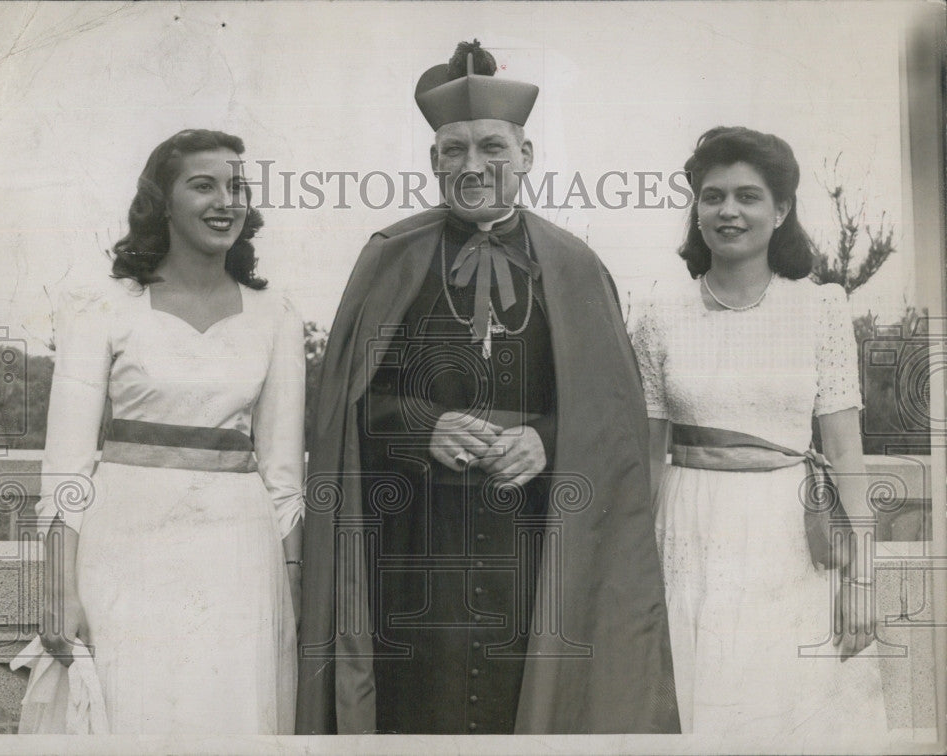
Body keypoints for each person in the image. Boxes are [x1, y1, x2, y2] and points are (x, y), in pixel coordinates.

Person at [296, 41, 679, 735]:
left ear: (526, 157)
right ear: (434, 160)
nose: (473, 166)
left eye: (492, 148)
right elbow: (343, 410)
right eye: (454, 150)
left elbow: (615, 420)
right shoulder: (390, 256)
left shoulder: (577, 266)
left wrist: (546, 438)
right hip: (413, 543)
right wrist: (423, 427)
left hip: (534, 542)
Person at [29, 129, 304, 734]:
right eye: (202, 185)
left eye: (237, 187)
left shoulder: (275, 313)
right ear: (163, 203)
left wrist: (295, 594)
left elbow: (284, 477)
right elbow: (66, 467)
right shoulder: (101, 306)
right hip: (126, 551)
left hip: (238, 560)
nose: (224, 201)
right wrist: (57, 587)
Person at [631, 126, 888, 748]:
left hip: (791, 537)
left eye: (748, 196)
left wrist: (860, 581)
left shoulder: (820, 309)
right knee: (700, 703)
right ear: (696, 210)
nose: (728, 210)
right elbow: (644, 461)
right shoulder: (661, 312)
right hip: (689, 534)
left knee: (786, 710)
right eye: (712, 195)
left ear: (781, 209)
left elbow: (846, 452)